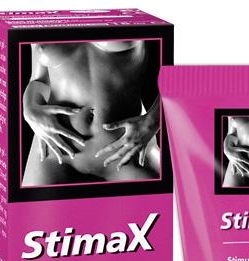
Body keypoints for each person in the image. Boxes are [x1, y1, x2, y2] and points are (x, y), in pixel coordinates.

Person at [22, 40, 160, 186]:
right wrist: (29, 108)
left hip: (127, 149)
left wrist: (152, 122)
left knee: (166, 199)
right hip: (56, 148)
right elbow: (39, 79)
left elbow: (177, 75)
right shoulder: (37, 25)